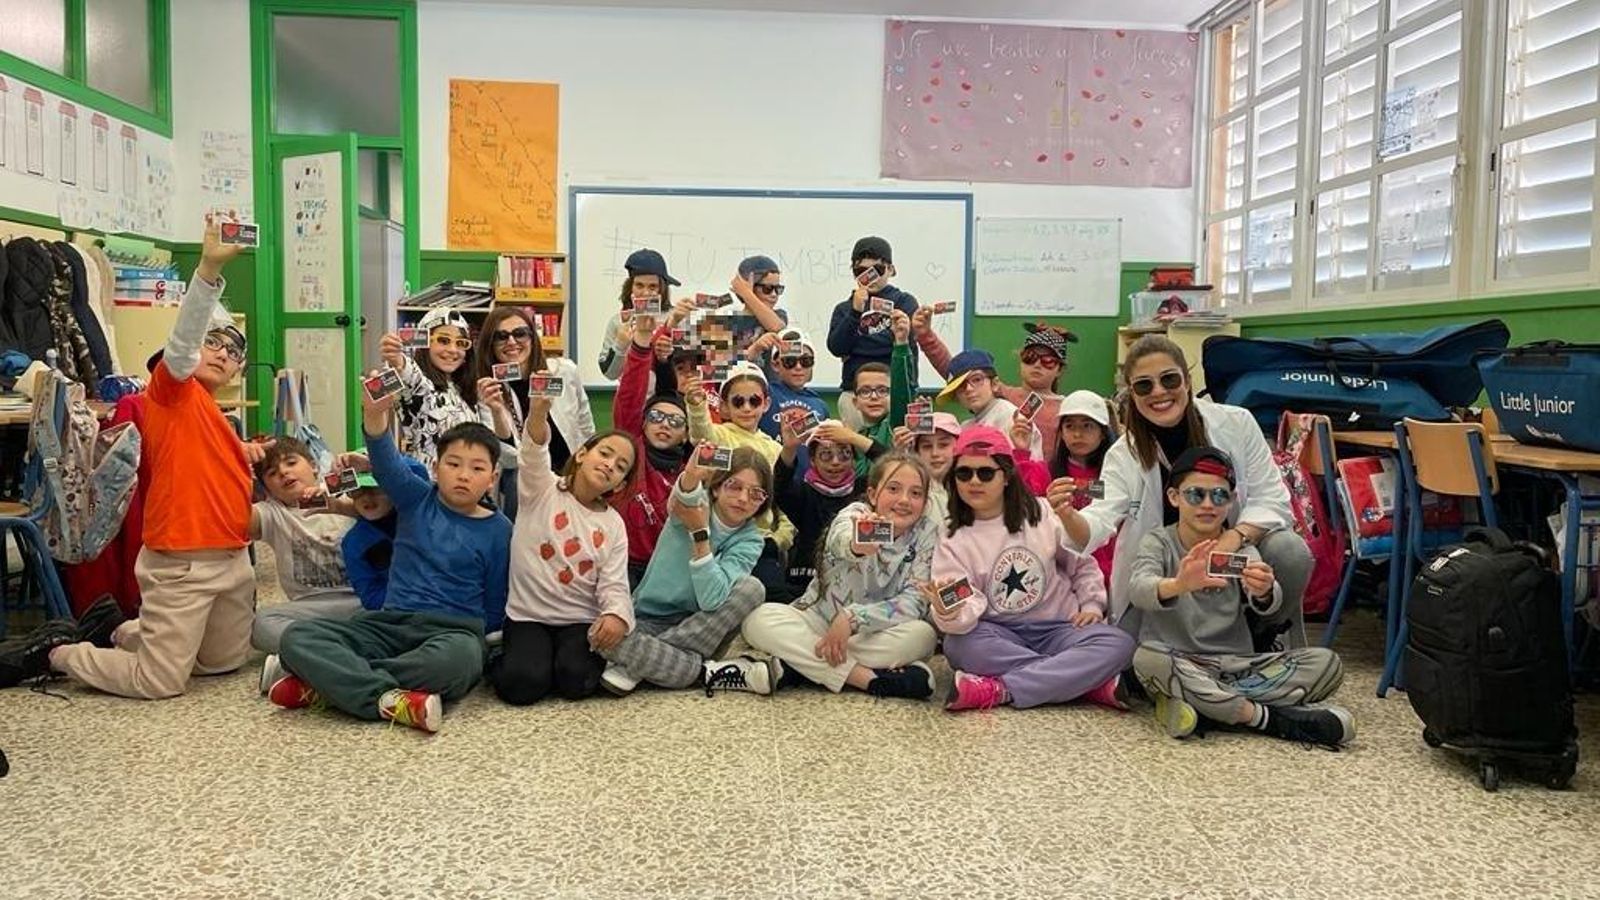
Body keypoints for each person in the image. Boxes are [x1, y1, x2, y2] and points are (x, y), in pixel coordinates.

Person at [5, 218, 258, 699]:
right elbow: (182, 349)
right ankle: (57, 652)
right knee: (159, 681)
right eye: (214, 342)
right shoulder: (171, 391)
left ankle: (122, 630)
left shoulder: (216, 417)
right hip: (183, 561)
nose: (223, 353)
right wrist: (207, 271)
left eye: (234, 351)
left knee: (222, 662)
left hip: (229, 560)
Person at [265, 385, 511, 733]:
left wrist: (487, 645)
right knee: (297, 638)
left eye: (476, 468)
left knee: (458, 665)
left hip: (454, 633)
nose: (463, 475)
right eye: (453, 464)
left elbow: (495, 598)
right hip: (388, 623)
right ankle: (387, 700)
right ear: (436, 468)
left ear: (492, 478)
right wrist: (375, 416)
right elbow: (386, 463)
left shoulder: (500, 530)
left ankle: (325, 685)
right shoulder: (417, 499)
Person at [1053, 335, 1311, 650]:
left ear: (1187, 381)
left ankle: (1263, 637)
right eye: (1144, 386)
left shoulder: (1238, 424)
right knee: (1131, 656)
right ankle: (1189, 657)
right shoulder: (1124, 454)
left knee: (1290, 551)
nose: (1159, 392)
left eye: (1169, 379)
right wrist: (1067, 515)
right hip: (1168, 576)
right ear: (1131, 394)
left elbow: (1272, 499)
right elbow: (1098, 520)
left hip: (1230, 563)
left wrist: (1233, 539)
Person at [1128, 447, 1353, 748]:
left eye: (1219, 496)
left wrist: (1263, 591)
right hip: (1178, 659)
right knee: (1146, 659)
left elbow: (1265, 601)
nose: (1208, 505)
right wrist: (1179, 584)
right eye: (1196, 495)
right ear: (1174, 498)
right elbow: (1139, 588)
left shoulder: (1238, 549)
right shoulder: (1158, 542)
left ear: (1232, 501)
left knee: (1327, 664)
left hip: (1236, 666)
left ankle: (1206, 705)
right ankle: (1267, 718)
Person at [928, 426, 1135, 712]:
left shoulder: (1042, 513)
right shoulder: (952, 535)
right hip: (998, 632)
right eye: (964, 474)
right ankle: (1085, 682)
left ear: (1006, 477)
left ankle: (1001, 689)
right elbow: (964, 598)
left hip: (1061, 628)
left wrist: (1091, 604)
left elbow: (1081, 563)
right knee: (958, 646)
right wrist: (949, 612)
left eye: (985, 473)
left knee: (1120, 644)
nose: (974, 481)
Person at [742, 453, 939, 700]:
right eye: (893, 488)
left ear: (925, 502)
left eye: (916, 493)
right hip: (817, 620)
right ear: (873, 494)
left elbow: (914, 601)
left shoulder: (927, 533)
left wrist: (853, 618)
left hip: (873, 630)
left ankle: (796, 667)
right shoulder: (855, 514)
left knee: (924, 635)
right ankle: (866, 678)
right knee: (758, 620)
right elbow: (841, 539)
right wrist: (857, 545)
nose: (904, 500)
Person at [488, 395, 637, 706]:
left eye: (620, 466)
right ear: (582, 454)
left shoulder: (613, 525)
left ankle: (552, 662)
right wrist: (539, 412)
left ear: (621, 484)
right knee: (522, 686)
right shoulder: (541, 487)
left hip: (579, 618)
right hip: (529, 615)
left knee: (577, 681)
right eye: (605, 453)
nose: (610, 465)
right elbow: (534, 451)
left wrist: (616, 615)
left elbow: (614, 583)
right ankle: (504, 651)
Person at [598, 444, 777, 696]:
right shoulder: (696, 504)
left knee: (752, 589)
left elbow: (711, 599)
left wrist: (699, 534)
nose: (743, 499)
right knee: (599, 636)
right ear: (716, 487)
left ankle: (640, 665)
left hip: (701, 630)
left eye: (756, 493)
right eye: (734, 486)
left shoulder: (751, 541)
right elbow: (686, 493)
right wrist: (692, 475)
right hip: (648, 619)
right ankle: (701, 672)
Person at [684, 361, 797, 598]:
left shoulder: (775, 449)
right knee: (714, 594)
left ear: (766, 404)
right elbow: (701, 436)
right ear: (724, 407)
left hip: (761, 540)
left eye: (754, 401)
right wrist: (696, 405)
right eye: (738, 401)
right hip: (719, 536)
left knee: (773, 595)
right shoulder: (720, 434)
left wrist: (780, 539)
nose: (746, 408)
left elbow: (784, 502)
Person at [473, 305, 595, 519]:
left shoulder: (563, 371)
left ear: (532, 337)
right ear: (490, 345)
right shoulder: (488, 391)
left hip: (570, 471)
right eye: (501, 336)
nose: (512, 342)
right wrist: (497, 411)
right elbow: (509, 460)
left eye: (520, 333)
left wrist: (586, 468)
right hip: (527, 481)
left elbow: (585, 425)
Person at [247, 437, 362, 656]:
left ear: (314, 465)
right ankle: (342, 651)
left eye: (291, 462)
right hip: (312, 608)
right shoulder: (272, 512)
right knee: (261, 625)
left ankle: (311, 655)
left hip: (363, 601)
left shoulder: (341, 487)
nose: (283, 472)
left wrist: (366, 466)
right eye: (272, 473)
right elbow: (235, 516)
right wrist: (237, 469)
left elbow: (394, 501)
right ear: (266, 488)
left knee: (409, 610)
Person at [612, 313, 692, 588]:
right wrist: (642, 343)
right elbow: (630, 396)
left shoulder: (688, 474)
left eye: (675, 422)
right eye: (656, 417)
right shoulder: (633, 452)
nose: (664, 425)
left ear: (686, 435)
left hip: (667, 568)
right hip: (622, 565)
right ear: (643, 424)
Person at [382, 308, 514, 469]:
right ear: (424, 343)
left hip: (467, 486)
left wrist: (497, 410)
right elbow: (412, 379)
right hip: (427, 487)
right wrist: (397, 359)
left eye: (461, 343)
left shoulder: (467, 391)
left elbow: (496, 447)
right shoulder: (418, 384)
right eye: (443, 341)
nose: (452, 350)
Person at [773, 415, 878, 596]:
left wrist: (854, 438)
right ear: (812, 461)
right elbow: (780, 486)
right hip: (804, 585)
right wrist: (790, 448)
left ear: (854, 459)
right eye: (826, 455)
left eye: (845, 454)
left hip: (855, 584)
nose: (836, 462)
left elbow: (895, 463)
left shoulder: (865, 491)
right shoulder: (803, 493)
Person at [915, 318, 1078, 429]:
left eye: (1047, 361)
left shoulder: (1070, 408)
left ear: (1060, 369)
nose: (1037, 364)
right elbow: (961, 374)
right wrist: (925, 335)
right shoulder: (1004, 394)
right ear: (1020, 360)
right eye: (1030, 357)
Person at [828, 236, 920, 431]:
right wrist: (855, 313)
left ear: (891, 269)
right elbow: (837, 347)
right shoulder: (844, 309)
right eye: (861, 271)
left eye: (877, 270)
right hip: (855, 394)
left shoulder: (905, 302)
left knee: (896, 452)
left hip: (897, 392)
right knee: (856, 453)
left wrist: (857, 344)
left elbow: (903, 341)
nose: (870, 277)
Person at [338, 453, 432, 613]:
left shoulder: (418, 513)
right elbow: (370, 596)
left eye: (375, 489)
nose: (366, 498)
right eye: (357, 491)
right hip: (399, 615)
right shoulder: (354, 542)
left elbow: (419, 472)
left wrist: (373, 463)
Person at [1046, 390, 1118, 584]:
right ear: (1061, 432)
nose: (1078, 434)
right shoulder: (1047, 472)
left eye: (1087, 426)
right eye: (1070, 426)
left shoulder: (1117, 473)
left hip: (1109, 571)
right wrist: (1022, 451)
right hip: (1063, 576)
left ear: (1103, 432)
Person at [937, 349, 1043, 456]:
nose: (968, 389)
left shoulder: (1009, 417)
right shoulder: (966, 426)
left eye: (977, 380)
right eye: (960, 386)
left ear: (995, 384)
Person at [597, 248, 678, 381]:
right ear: (630, 287)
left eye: (652, 287)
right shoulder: (619, 322)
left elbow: (691, 366)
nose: (645, 293)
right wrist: (620, 344)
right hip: (632, 396)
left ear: (662, 289)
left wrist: (670, 352)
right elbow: (609, 374)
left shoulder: (676, 318)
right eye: (639, 286)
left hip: (669, 398)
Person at [745, 328, 828, 441]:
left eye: (806, 361)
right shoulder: (764, 392)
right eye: (790, 361)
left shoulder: (820, 405)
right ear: (775, 365)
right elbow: (727, 378)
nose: (798, 367)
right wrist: (754, 350)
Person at [892, 411, 961, 522]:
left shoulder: (972, 484)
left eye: (943, 445)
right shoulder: (911, 491)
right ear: (917, 452)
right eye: (927, 446)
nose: (935, 453)